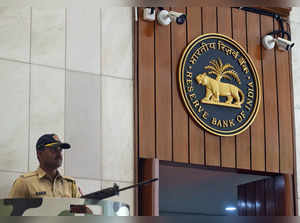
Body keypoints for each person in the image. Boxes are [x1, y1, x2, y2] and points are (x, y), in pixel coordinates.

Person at [9, 133, 82, 198]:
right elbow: (10, 212)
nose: (59, 154)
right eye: (54, 150)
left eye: (60, 150)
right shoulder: (24, 183)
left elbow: (82, 212)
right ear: (39, 153)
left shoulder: (70, 184)